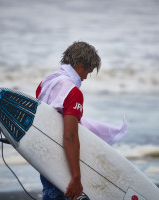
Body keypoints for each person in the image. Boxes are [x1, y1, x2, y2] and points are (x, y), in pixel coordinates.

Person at [35, 41, 127, 200]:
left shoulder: (46, 83)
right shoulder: (73, 92)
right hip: (63, 164)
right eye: (88, 71)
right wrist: (76, 178)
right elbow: (70, 136)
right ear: (80, 65)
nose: (85, 77)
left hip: (43, 158)